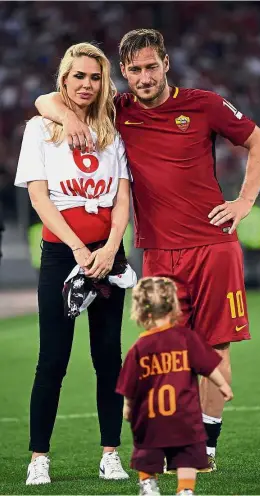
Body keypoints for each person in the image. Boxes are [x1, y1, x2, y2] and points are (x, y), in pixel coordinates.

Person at [35, 29, 260, 471]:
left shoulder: (204, 104)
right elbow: (46, 101)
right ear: (123, 73)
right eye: (135, 70)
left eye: (151, 67)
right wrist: (68, 119)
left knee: (216, 346)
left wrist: (243, 202)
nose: (144, 77)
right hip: (158, 253)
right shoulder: (118, 109)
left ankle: (207, 447)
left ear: (165, 63)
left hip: (213, 246)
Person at [15, 42, 131, 485]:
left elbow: (122, 197)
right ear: (63, 79)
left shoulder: (114, 130)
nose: (86, 84)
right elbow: (40, 197)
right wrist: (79, 251)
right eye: (78, 76)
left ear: (104, 82)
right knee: (53, 360)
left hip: (108, 253)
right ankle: (39, 458)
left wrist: (109, 248)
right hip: (64, 253)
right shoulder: (39, 129)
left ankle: (110, 454)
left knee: (108, 357)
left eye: (95, 77)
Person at [116, 276, 233, 496]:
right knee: (187, 453)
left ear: (142, 313)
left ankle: (148, 485)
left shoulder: (140, 347)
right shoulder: (186, 339)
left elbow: (129, 385)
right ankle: (185, 489)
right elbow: (208, 366)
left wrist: (127, 407)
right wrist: (223, 386)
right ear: (174, 308)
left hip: (150, 417)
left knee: (146, 454)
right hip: (184, 414)